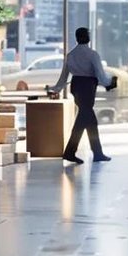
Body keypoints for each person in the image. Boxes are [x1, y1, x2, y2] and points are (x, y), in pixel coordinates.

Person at [47, 27, 118, 164]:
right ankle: (84, 153)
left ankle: (85, 152)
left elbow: (63, 77)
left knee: (87, 121)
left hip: (76, 86)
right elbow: (100, 74)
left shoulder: (71, 55)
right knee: (86, 120)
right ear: (87, 37)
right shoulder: (92, 54)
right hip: (88, 87)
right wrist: (110, 83)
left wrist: (55, 89)